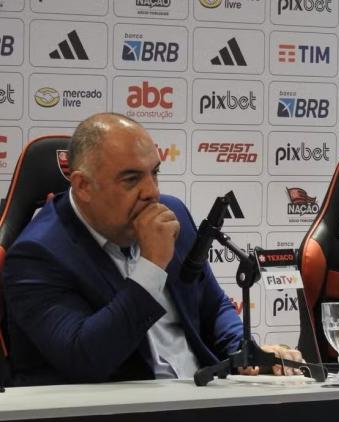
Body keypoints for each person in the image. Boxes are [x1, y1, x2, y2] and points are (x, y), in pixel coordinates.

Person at [3, 113, 300, 386]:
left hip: (201, 396)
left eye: (154, 173)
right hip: (112, 417)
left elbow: (212, 306)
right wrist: (152, 266)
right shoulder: (36, 256)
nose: (152, 192)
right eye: (132, 179)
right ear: (83, 186)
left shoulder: (173, 214)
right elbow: (86, 358)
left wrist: (244, 351)